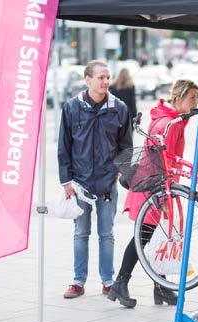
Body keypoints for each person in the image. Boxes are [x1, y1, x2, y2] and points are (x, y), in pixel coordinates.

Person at [107, 80, 198, 308]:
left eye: (197, 98)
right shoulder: (168, 124)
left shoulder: (174, 120)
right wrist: (165, 196)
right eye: (192, 98)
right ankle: (120, 283)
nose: (196, 102)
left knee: (155, 238)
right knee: (143, 237)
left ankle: (161, 288)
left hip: (157, 187)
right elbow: (159, 161)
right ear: (178, 99)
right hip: (152, 188)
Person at [58, 60, 132, 299]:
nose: (105, 82)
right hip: (79, 183)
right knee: (80, 233)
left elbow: (126, 146)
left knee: (106, 234)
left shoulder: (118, 108)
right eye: (100, 77)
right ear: (87, 80)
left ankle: (108, 281)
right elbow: (64, 146)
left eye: (107, 77)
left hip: (107, 183)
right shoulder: (71, 108)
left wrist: (118, 171)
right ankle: (78, 282)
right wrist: (66, 181)